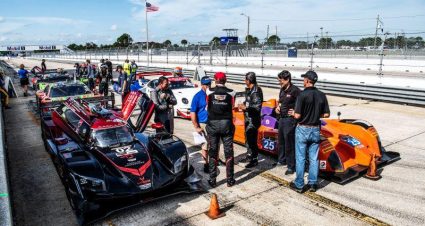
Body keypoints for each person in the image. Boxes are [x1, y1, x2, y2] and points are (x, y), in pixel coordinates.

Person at [290, 71, 330, 193]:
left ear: (307, 81)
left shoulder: (302, 95)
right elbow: (327, 114)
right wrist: (317, 114)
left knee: (301, 158)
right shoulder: (322, 95)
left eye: (304, 79)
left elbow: (297, 115)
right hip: (315, 129)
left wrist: (293, 113)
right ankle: (313, 184)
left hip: (303, 128)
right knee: (314, 158)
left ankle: (299, 184)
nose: (303, 81)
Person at [206, 72, 236, 187]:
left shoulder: (209, 91)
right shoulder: (232, 92)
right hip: (226, 124)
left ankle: (212, 180)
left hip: (213, 124)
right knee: (229, 152)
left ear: (215, 80)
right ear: (225, 80)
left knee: (213, 152)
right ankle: (230, 180)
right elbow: (233, 106)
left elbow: (206, 104)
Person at [275, 70, 301, 175]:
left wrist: (296, 112)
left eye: (280, 80)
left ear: (287, 79)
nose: (279, 82)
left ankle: (291, 166)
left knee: (289, 143)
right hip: (281, 118)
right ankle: (282, 160)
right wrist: (278, 107)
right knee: (281, 141)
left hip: (290, 120)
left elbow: (302, 103)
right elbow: (281, 101)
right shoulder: (282, 89)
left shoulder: (295, 90)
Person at [238, 72, 263, 168]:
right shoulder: (250, 90)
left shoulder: (256, 91)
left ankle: (254, 159)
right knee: (248, 138)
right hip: (248, 118)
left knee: (252, 140)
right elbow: (248, 102)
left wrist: (245, 108)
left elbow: (257, 107)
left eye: (245, 80)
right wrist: (241, 104)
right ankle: (249, 156)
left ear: (248, 80)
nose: (244, 81)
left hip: (253, 119)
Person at [190, 76, 212, 173]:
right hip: (203, 123)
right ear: (201, 85)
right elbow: (193, 112)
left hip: (213, 123)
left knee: (214, 144)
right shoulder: (197, 96)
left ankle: (213, 161)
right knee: (205, 146)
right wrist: (197, 127)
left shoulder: (212, 95)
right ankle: (205, 164)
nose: (208, 86)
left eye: (209, 84)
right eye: (206, 84)